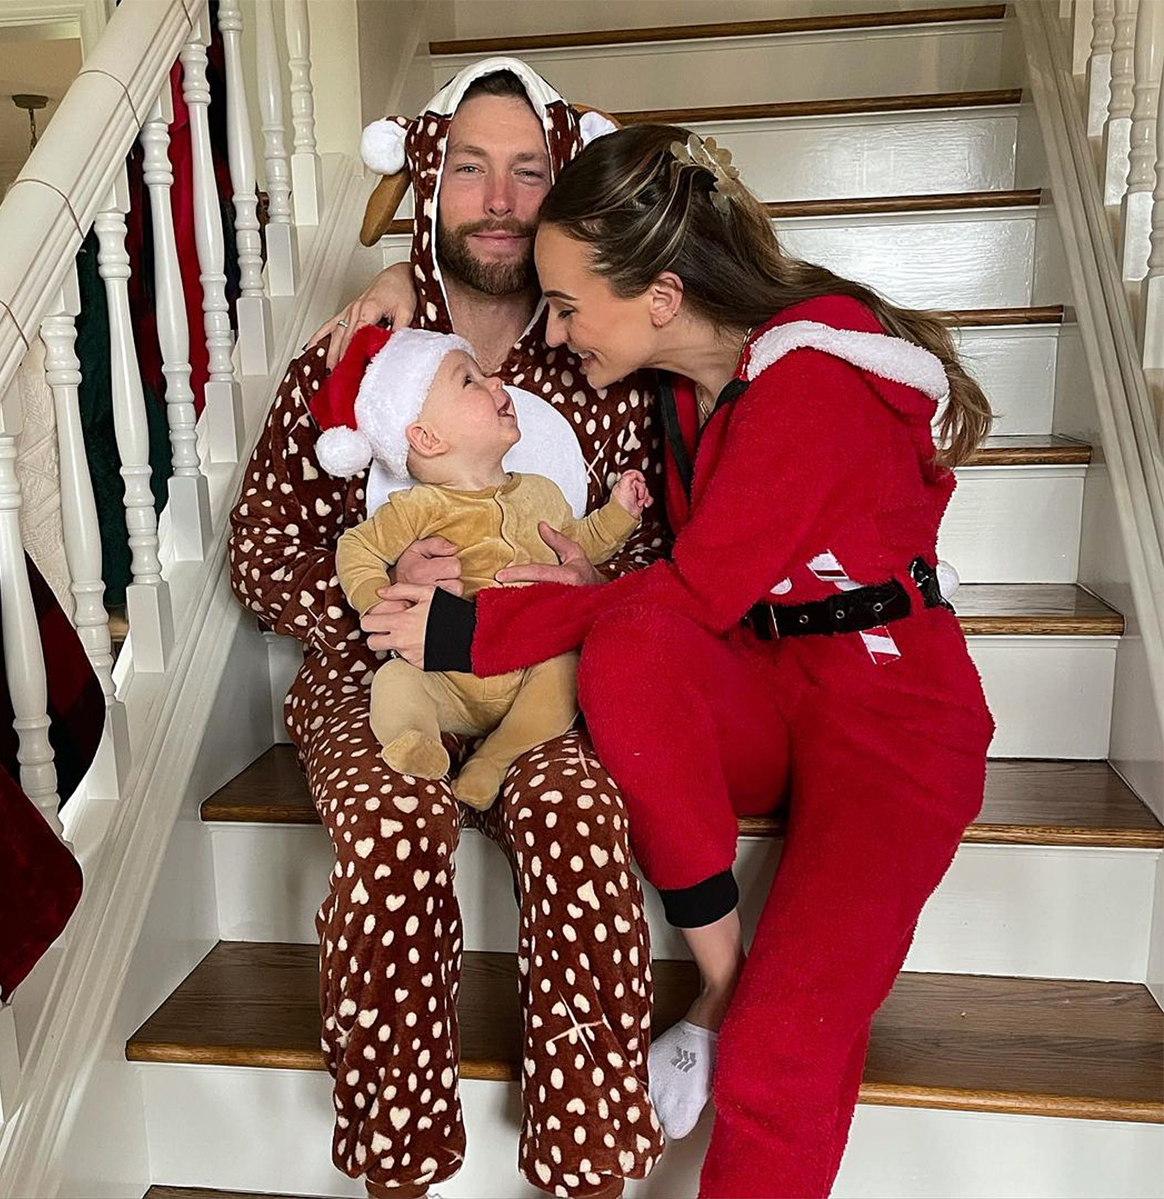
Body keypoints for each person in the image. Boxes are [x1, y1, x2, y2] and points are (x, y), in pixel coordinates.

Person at [361, 124, 996, 1199]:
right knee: (630, 644)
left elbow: (697, 587)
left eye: (569, 307)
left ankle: (737, 1011)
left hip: (893, 715)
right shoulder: (683, 389)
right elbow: (504, 259)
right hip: (766, 683)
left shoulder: (811, 386)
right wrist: (396, 282)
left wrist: (472, 634)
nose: (555, 331)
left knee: (781, 1045)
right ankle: (721, 975)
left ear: (661, 295)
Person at [228, 59, 667, 1199]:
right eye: (471, 168)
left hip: (543, 677)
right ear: (430, 182)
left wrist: (590, 578)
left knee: (579, 814)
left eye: (528, 171)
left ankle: (588, 1155)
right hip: (383, 679)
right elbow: (263, 547)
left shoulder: (604, 354)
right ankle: (399, 1157)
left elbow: (665, 551)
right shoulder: (356, 354)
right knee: (392, 822)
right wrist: (375, 605)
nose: (500, 199)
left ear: (563, 186)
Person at [315, 323, 649, 808]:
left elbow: (577, 550)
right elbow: (357, 548)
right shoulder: (419, 507)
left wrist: (619, 514)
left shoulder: (541, 493)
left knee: (566, 672)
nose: (496, 382)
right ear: (427, 438)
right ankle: (415, 739)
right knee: (395, 681)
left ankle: (494, 760)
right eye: (469, 380)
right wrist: (381, 601)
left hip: (528, 663)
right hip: (445, 677)